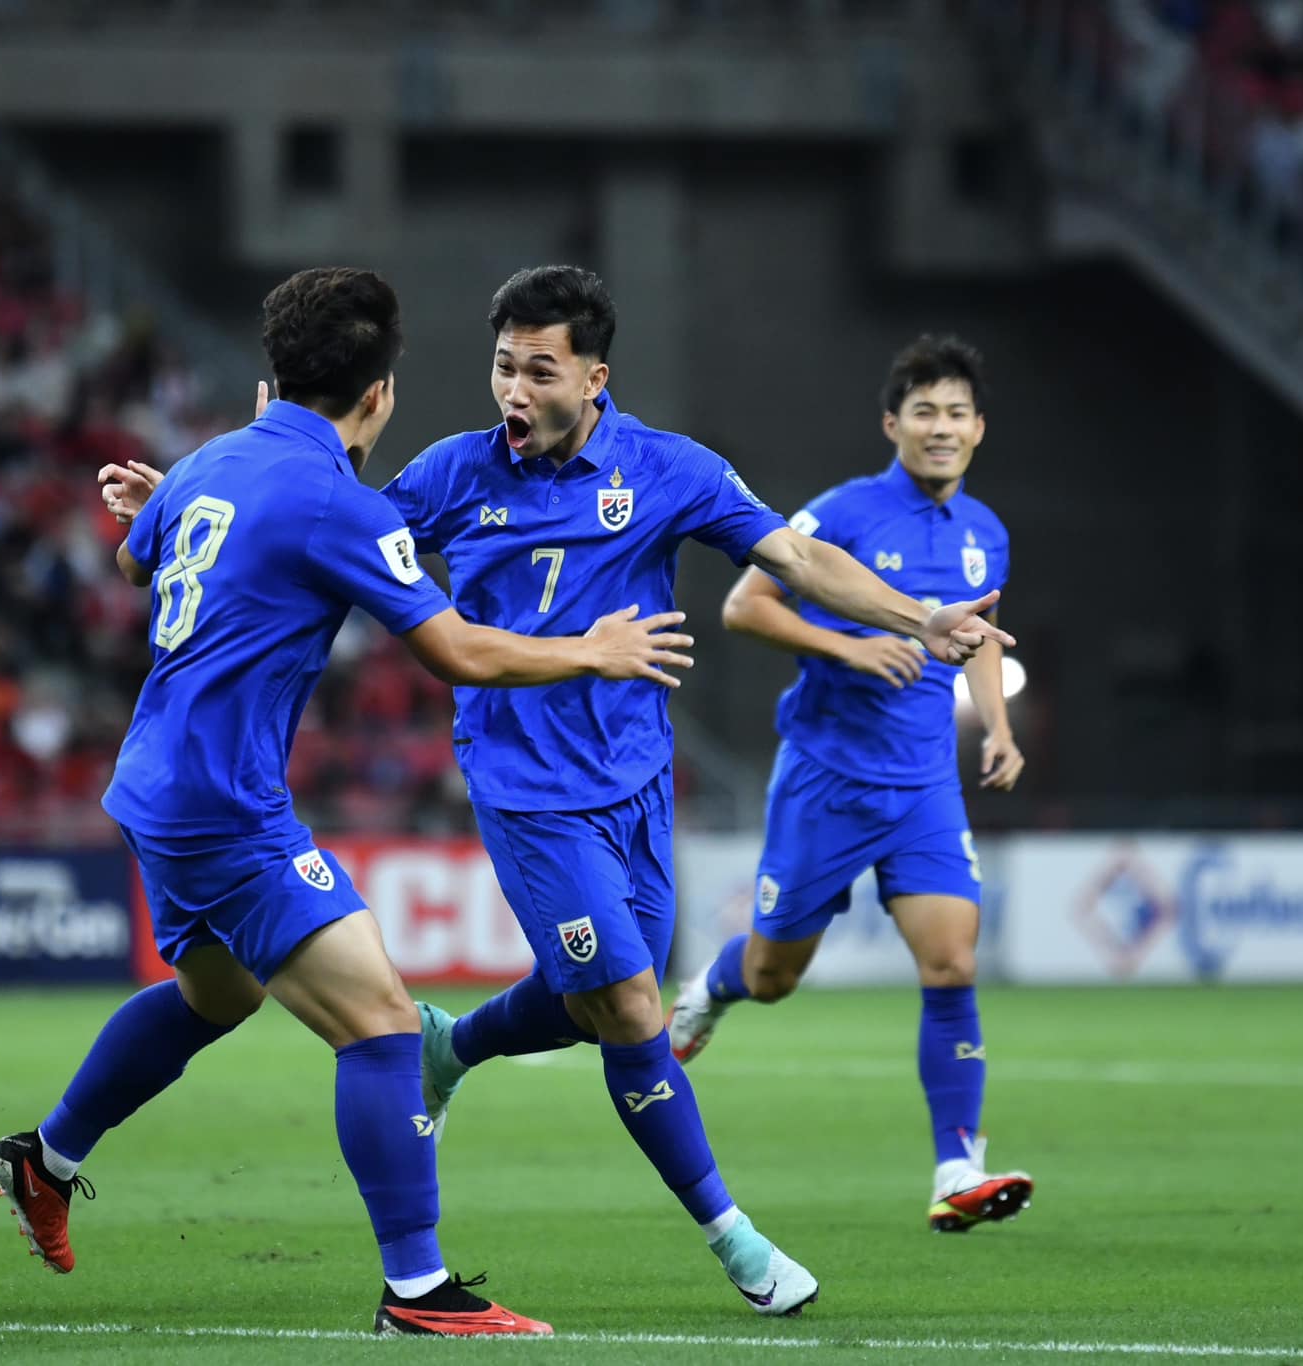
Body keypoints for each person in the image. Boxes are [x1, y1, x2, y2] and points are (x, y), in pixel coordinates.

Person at [0, 267, 695, 1338]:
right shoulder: (337, 504)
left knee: (215, 997)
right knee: (384, 1026)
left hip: (153, 783)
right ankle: (417, 1290)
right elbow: (453, 649)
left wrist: (158, 501)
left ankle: (44, 1157)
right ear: (379, 396)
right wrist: (587, 647)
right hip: (224, 807)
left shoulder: (212, 460)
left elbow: (135, 562)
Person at [385, 267, 1011, 1318]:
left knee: (593, 1002)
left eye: (537, 370)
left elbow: (793, 559)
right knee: (631, 1008)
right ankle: (736, 1239)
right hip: (524, 786)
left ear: (593, 376)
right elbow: (343, 546)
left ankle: (451, 1045)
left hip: (633, 784)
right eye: (501, 366)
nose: (512, 390)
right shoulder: (450, 474)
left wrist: (916, 619)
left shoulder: (667, 470)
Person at [668, 334, 1033, 1235]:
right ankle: (710, 991)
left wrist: (998, 727)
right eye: (924, 412)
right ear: (892, 423)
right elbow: (744, 604)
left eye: (956, 413)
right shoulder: (842, 513)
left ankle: (958, 1168)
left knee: (952, 962)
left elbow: (978, 641)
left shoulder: (988, 535)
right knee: (773, 972)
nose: (940, 428)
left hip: (922, 791)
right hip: (827, 779)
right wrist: (850, 644)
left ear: (979, 428)